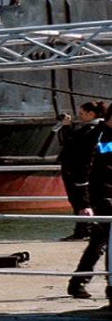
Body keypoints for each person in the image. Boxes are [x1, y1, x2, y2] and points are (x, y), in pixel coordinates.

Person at [68, 109, 112, 300]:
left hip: (108, 192)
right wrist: (84, 203)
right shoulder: (96, 136)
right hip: (100, 195)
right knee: (108, 238)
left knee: (99, 240)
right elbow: (83, 171)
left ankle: (78, 282)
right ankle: (110, 286)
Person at [57, 102, 104, 241]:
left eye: (82, 113)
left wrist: (67, 127)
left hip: (80, 171)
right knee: (78, 201)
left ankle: (85, 230)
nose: (80, 116)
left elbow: (73, 144)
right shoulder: (91, 128)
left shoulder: (93, 129)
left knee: (81, 202)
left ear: (91, 114)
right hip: (78, 170)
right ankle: (83, 229)